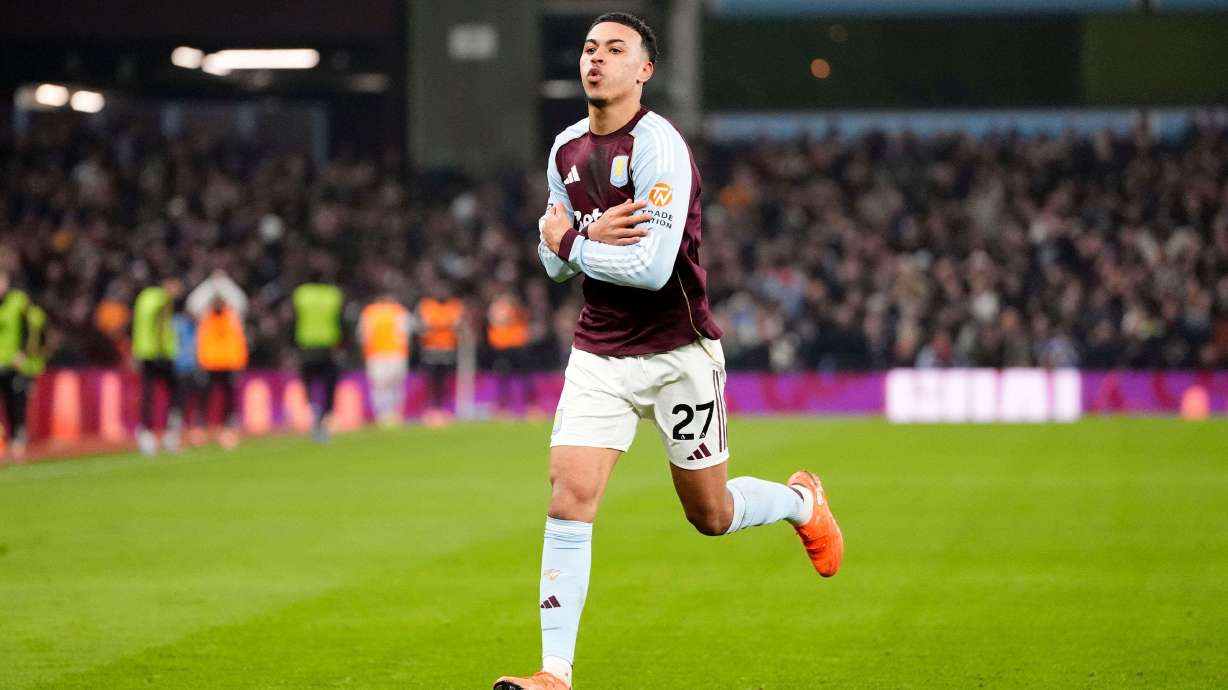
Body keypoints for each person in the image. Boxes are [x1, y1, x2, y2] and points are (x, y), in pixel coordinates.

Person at [494, 14, 844, 690]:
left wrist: (574, 242)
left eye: (614, 49)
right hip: (599, 352)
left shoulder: (661, 148)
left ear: (644, 69)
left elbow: (652, 269)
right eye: (590, 48)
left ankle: (803, 503)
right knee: (569, 496)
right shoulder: (565, 149)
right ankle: (554, 674)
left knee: (708, 516)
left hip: (678, 353)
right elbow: (551, 259)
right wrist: (572, 242)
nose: (596, 60)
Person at [187, 271, 248, 450]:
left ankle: (227, 429)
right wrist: (211, 283)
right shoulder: (205, 315)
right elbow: (193, 302)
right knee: (204, 396)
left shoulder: (232, 315)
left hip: (228, 361)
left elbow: (241, 301)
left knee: (228, 398)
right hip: (209, 362)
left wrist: (224, 282)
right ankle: (201, 428)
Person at [131, 278, 184, 455]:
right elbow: (160, 324)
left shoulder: (144, 298)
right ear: (168, 284)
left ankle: (145, 434)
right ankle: (170, 434)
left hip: (144, 353)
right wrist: (162, 348)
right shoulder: (162, 300)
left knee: (148, 394)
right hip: (160, 354)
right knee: (176, 391)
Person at [0, 271, 46, 462]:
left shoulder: (18, 301)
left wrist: (23, 353)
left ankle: (17, 443)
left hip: (15, 363)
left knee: (16, 404)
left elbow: (29, 329)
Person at [293, 276, 344, 442]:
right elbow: (340, 321)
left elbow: (294, 320)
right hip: (327, 347)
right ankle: (323, 418)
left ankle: (313, 415)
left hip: (307, 347)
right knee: (329, 386)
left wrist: (292, 344)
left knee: (308, 384)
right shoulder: (333, 295)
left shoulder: (301, 294)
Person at [358, 293, 411, 427]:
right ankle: (393, 415)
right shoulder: (398, 311)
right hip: (395, 353)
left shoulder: (370, 312)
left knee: (381, 386)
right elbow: (407, 331)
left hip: (378, 354)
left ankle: (383, 415)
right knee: (393, 386)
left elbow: (363, 335)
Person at [416, 284, 464, 427]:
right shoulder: (426, 305)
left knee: (445, 381)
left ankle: (444, 409)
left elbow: (456, 325)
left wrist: (437, 325)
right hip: (431, 349)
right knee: (431, 381)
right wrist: (443, 325)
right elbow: (423, 326)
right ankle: (431, 409)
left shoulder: (454, 306)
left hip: (447, 349)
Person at [486, 286, 537, 418]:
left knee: (525, 377)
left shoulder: (518, 309)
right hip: (502, 347)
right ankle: (504, 409)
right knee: (503, 378)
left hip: (518, 346)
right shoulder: (497, 308)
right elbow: (497, 321)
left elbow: (526, 322)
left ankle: (528, 407)